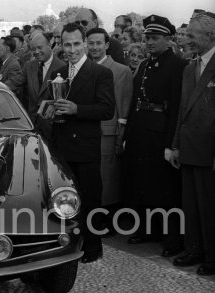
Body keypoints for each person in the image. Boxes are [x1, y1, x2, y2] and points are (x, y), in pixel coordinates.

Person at [45, 22, 115, 263]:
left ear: (84, 43)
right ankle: (68, 244)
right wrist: (49, 110)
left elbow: (107, 109)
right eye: (67, 44)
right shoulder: (59, 73)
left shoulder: (100, 73)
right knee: (65, 198)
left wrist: (77, 110)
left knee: (90, 196)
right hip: (62, 147)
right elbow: (48, 103)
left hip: (85, 147)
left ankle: (93, 247)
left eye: (76, 44)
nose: (72, 49)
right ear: (61, 45)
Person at [122, 15, 187, 256]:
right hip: (141, 129)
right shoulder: (146, 64)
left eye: (155, 38)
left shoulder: (177, 66)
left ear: (167, 39)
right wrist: (128, 134)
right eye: (147, 38)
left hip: (161, 131)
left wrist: (172, 143)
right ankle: (148, 230)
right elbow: (135, 102)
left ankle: (171, 240)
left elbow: (177, 108)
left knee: (166, 187)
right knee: (144, 182)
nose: (149, 42)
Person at [170, 11, 215, 274]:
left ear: (210, 36)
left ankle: (212, 255)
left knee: (210, 204)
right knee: (191, 202)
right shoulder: (189, 69)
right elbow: (181, 112)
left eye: (192, 34)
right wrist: (175, 145)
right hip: (188, 146)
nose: (186, 38)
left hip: (209, 149)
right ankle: (194, 248)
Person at [86, 28, 133, 213]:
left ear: (106, 45)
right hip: (87, 131)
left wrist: (120, 136)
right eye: (91, 43)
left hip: (108, 132)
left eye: (98, 43)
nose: (95, 47)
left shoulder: (121, 71)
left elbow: (124, 106)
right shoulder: (83, 67)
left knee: (108, 177)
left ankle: (107, 219)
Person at [12, 32, 65, 139]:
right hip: (32, 127)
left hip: (53, 129)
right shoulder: (29, 66)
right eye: (33, 49)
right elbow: (14, 82)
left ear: (50, 45)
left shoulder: (62, 68)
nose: (36, 52)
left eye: (40, 47)